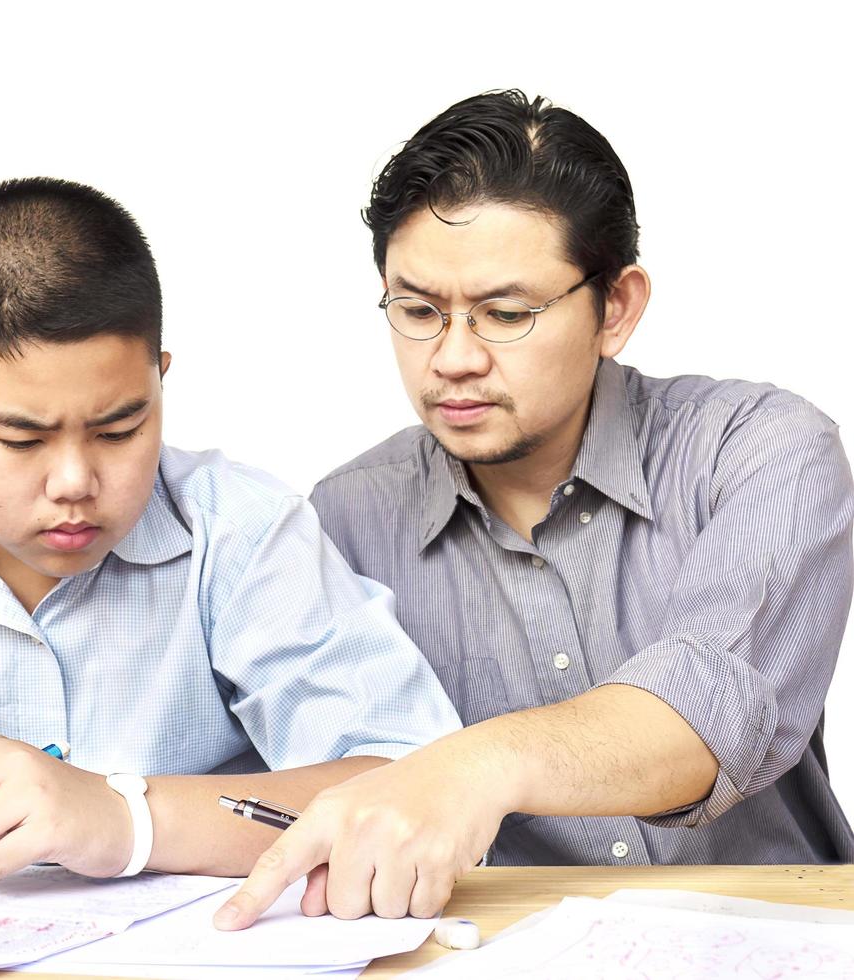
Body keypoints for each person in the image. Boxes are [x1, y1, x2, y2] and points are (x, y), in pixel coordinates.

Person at [216, 90, 854, 930]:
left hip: (776, 930)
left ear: (615, 308)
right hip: (501, 943)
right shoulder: (345, 518)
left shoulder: (755, 449)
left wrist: (472, 765)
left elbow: (711, 713)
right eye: (416, 311)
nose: (451, 358)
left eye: (505, 314)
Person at [0, 177, 461, 878]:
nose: (75, 482)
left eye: (119, 429)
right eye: (21, 440)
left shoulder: (242, 538)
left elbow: (418, 787)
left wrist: (124, 817)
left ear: (158, 384)